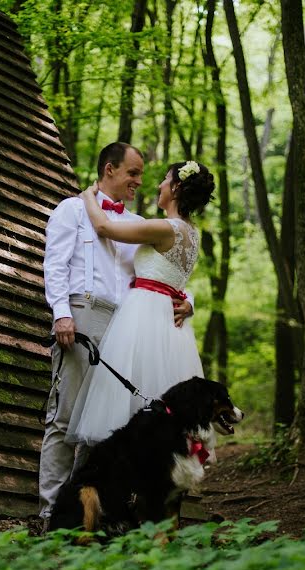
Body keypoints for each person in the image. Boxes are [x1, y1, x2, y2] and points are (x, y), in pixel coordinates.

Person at [39, 143, 193, 525]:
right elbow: (55, 265)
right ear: (110, 169)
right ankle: (50, 513)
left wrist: (189, 301)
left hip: (125, 327)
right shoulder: (72, 209)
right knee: (65, 417)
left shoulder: (138, 222)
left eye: (143, 176)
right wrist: (61, 314)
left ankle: (85, 513)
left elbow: (163, 272)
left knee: (104, 426)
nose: (140, 182)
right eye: (133, 173)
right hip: (82, 314)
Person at [66, 159, 215, 447]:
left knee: (126, 400)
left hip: (144, 316)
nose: (158, 185)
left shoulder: (165, 228)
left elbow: (104, 227)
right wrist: (191, 302)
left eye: (164, 179)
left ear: (176, 188)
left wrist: (87, 195)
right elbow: (174, 279)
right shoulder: (192, 234)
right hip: (172, 326)